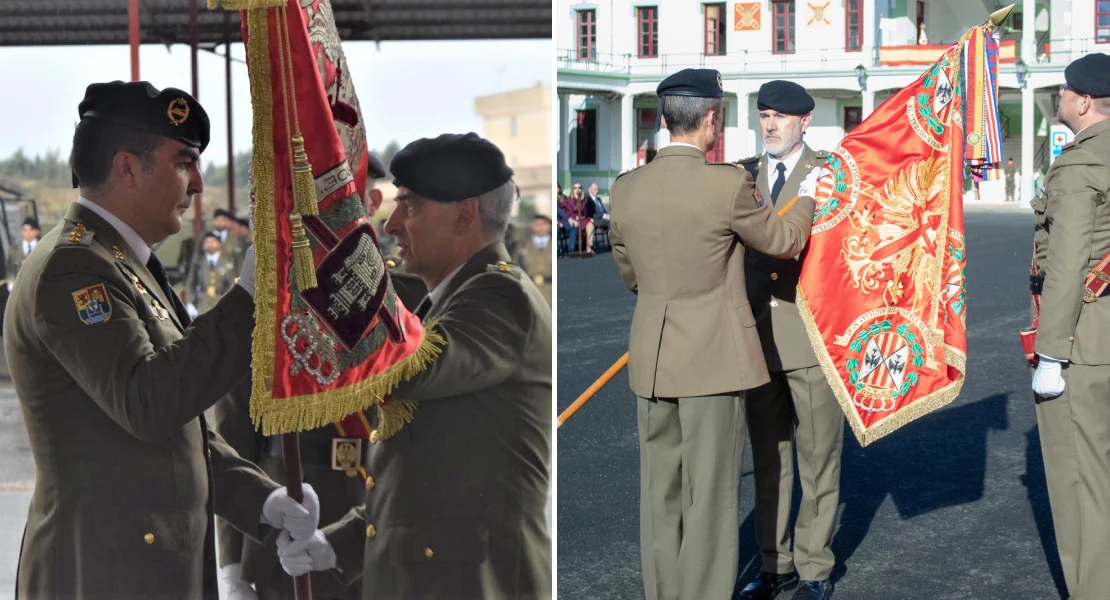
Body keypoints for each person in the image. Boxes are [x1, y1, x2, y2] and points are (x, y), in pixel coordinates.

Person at [3, 80, 320, 599]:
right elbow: (149, 401)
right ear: (126, 168)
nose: (197, 183)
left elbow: (179, 430)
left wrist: (259, 501)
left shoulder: (123, 261)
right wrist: (249, 299)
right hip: (102, 576)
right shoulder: (75, 266)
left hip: (142, 569)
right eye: (183, 163)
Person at [277, 132, 552, 600]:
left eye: (411, 206)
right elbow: (425, 476)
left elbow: (411, 371)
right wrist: (337, 545)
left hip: (473, 584)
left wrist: (334, 270)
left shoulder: (499, 296)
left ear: (464, 214)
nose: (391, 224)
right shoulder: (444, 305)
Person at [608, 68, 816, 600]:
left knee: (660, 495)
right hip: (714, 361)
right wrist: (810, 196)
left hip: (653, 359)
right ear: (710, 120)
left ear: (662, 118)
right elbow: (784, 241)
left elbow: (630, 273)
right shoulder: (727, 184)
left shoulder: (626, 188)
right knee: (711, 499)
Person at [212, 152, 426, 600]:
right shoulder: (268, 303)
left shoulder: (409, 300)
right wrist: (232, 566)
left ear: (368, 201)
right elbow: (234, 437)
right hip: (283, 530)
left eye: (339, 200)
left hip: (375, 533)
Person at [733, 80, 839, 600]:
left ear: (805, 122)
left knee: (818, 458)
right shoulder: (739, 175)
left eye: (781, 117)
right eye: (764, 115)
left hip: (812, 337)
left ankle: (815, 566)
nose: (770, 125)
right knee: (769, 457)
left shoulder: (831, 175)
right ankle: (776, 564)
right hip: (755, 337)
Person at [1029, 52, 1110, 600]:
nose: (1059, 98)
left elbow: (1066, 264)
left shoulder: (1081, 166)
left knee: (1082, 485)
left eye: (1063, 91)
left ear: (1082, 100)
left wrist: (1052, 354)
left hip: (1086, 342)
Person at [185, 231, 238, 317]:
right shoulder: (198, 263)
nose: (210, 244)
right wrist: (190, 303)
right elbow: (190, 283)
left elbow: (233, 284)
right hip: (202, 303)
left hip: (222, 302)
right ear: (203, 246)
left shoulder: (228, 262)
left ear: (219, 244)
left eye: (213, 241)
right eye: (207, 242)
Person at [519, 214, 553, 305]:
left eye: (543, 224)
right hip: (529, 290)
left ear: (549, 226)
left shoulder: (553, 245)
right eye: (537, 224)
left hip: (550, 290)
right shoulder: (523, 245)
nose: (540, 228)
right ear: (532, 227)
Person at [559, 182, 595, 255]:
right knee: (576, 224)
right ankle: (577, 245)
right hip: (572, 219)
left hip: (582, 219)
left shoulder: (584, 200)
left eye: (579, 188)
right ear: (572, 190)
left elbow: (584, 212)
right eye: (575, 188)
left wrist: (582, 217)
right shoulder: (568, 200)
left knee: (591, 222)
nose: (577, 190)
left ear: (581, 190)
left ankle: (589, 247)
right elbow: (561, 210)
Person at [6, 216, 40, 287]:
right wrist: (10, 282)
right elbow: (10, 268)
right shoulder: (15, 249)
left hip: (38, 284)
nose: (28, 232)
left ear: (37, 231)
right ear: (21, 231)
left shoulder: (42, 247)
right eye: (24, 230)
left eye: (31, 229)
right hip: (19, 285)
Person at [211, 207, 246, 273]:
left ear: (227, 222)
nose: (219, 223)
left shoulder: (235, 238)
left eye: (222, 220)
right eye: (217, 220)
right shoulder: (207, 238)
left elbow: (240, 260)